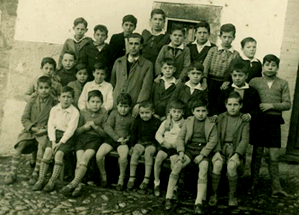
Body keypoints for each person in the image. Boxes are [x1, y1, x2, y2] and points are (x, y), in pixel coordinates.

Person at [164, 99, 217, 214]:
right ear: (193, 111)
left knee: (203, 168)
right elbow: (180, 137)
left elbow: (213, 141)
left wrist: (202, 155)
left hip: (203, 151)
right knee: (177, 165)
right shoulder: (188, 121)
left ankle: (198, 202)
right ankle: (168, 197)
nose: (201, 113)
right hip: (189, 150)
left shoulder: (211, 124)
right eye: (198, 111)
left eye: (203, 111)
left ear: (208, 112)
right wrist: (181, 152)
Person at [249, 54, 291, 196]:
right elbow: (249, 100)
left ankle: (276, 187)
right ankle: (253, 185)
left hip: (274, 122)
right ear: (263, 67)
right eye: (267, 64)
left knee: (274, 156)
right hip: (259, 122)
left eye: (273, 65)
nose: (270, 67)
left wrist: (271, 105)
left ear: (277, 68)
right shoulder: (254, 82)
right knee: (257, 154)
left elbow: (287, 104)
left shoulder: (282, 83)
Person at [5, 76, 56, 185]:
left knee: (41, 146)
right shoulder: (32, 100)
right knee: (20, 145)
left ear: (50, 88)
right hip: (30, 130)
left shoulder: (54, 102)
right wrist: (31, 128)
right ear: (37, 88)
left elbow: (55, 120)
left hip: (44, 131)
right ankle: (12, 172)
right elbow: (24, 118)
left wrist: (45, 129)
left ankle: (35, 173)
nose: (44, 90)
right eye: (41, 88)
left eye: (46, 88)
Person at [32, 86, 80, 192]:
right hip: (54, 136)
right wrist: (53, 141)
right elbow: (50, 125)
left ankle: (52, 181)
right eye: (63, 96)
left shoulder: (75, 112)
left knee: (58, 154)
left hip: (67, 138)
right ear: (59, 97)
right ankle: (41, 180)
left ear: (72, 99)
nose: (66, 99)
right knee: (48, 152)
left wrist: (61, 142)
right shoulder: (54, 109)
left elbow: (71, 129)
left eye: (69, 97)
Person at [60, 90, 108, 197]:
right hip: (81, 139)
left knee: (85, 160)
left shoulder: (104, 114)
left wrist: (95, 127)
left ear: (102, 103)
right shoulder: (82, 113)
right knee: (79, 162)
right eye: (93, 101)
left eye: (98, 102)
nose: (95, 104)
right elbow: (75, 131)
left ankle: (73, 184)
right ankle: (79, 185)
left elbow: (105, 134)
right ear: (88, 102)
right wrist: (84, 128)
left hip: (94, 140)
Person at [209, 91, 249, 207]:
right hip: (221, 148)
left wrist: (237, 154)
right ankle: (214, 194)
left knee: (231, 166)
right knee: (217, 164)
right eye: (230, 104)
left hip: (235, 149)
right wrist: (216, 151)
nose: (232, 107)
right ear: (225, 105)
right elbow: (214, 136)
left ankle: (232, 195)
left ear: (240, 105)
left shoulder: (244, 120)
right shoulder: (220, 117)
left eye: (235, 105)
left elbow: (245, 140)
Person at [96, 93, 134, 191]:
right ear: (117, 106)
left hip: (123, 142)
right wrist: (116, 137)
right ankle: (103, 174)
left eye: (126, 107)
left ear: (130, 107)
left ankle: (121, 178)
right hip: (111, 139)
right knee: (99, 155)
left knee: (123, 156)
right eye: (121, 106)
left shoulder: (131, 118)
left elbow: (132, 132)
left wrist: (127, 139)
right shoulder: (113, 113)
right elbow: (107, 127)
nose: (123, 109)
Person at [110, 33, 153, 117]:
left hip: (133, 104)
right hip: (117, 104)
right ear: (127, 45)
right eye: (131, 43)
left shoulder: (147, 65)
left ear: (141, 46)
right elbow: (112, 83)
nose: (133, 46)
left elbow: (146, 88)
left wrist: (139, 104)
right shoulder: (119, 62)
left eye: (136, 44)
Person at [202, 23, 240, 115]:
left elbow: (233, 70)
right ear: (220, 37)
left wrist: (227, 80)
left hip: (224, 84)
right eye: (225, 36)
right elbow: (205, 66)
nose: (227, 40)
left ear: (234, 37)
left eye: (229, 37)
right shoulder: (213, 50)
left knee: (220, 106)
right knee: (207, 104)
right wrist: (204, 80)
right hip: (210, 82)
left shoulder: (235, 54)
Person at [153, 99, 185, 197]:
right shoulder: (166, 123)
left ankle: (173, 187)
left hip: (176, 148)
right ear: (170, 111)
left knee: (173, 161)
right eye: (174, 111)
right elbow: (158, 134)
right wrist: (163, 142)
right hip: (166, 145)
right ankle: (156, 183)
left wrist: (178, 144)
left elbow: (186, 136)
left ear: (183, 112)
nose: (176, 114)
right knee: (158, 159)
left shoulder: (184, 124)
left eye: (179, 112)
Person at [127, 101, 161, 190]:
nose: (144, 115)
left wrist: (158, 147)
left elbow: (159, 135)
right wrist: (131, 146)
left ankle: (146, 179)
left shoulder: (156, 122)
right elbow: (133, 134)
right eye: (142, 113)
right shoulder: (137, 121)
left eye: (147, 113)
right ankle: (132, 177)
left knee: (148, 154)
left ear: (152, 112)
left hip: (151, 143)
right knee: (135, 153)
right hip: (140, 142)